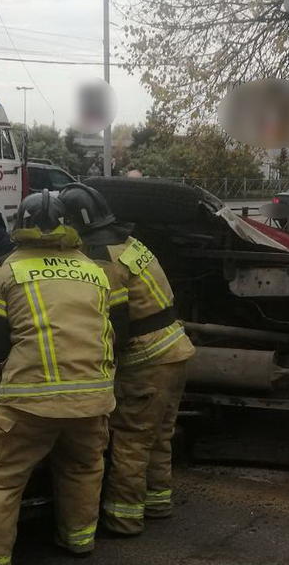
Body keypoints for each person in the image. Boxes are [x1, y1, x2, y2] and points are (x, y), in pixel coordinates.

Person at [0, 190, 116, 565]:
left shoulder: (3, 270)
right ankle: (79, 541)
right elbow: (112, 331)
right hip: (93, 397)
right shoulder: (94, 270)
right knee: (83, 467)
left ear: (20, 225)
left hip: (30, 401)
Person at [60, 183, 195, 536]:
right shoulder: (129, 243)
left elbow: (114, 322)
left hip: (147, 358)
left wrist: (101, 364)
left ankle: (124, 518)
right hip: (175, 349)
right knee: (158, 434)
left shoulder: (102, 258)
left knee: (131, 439)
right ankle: (157, 501)